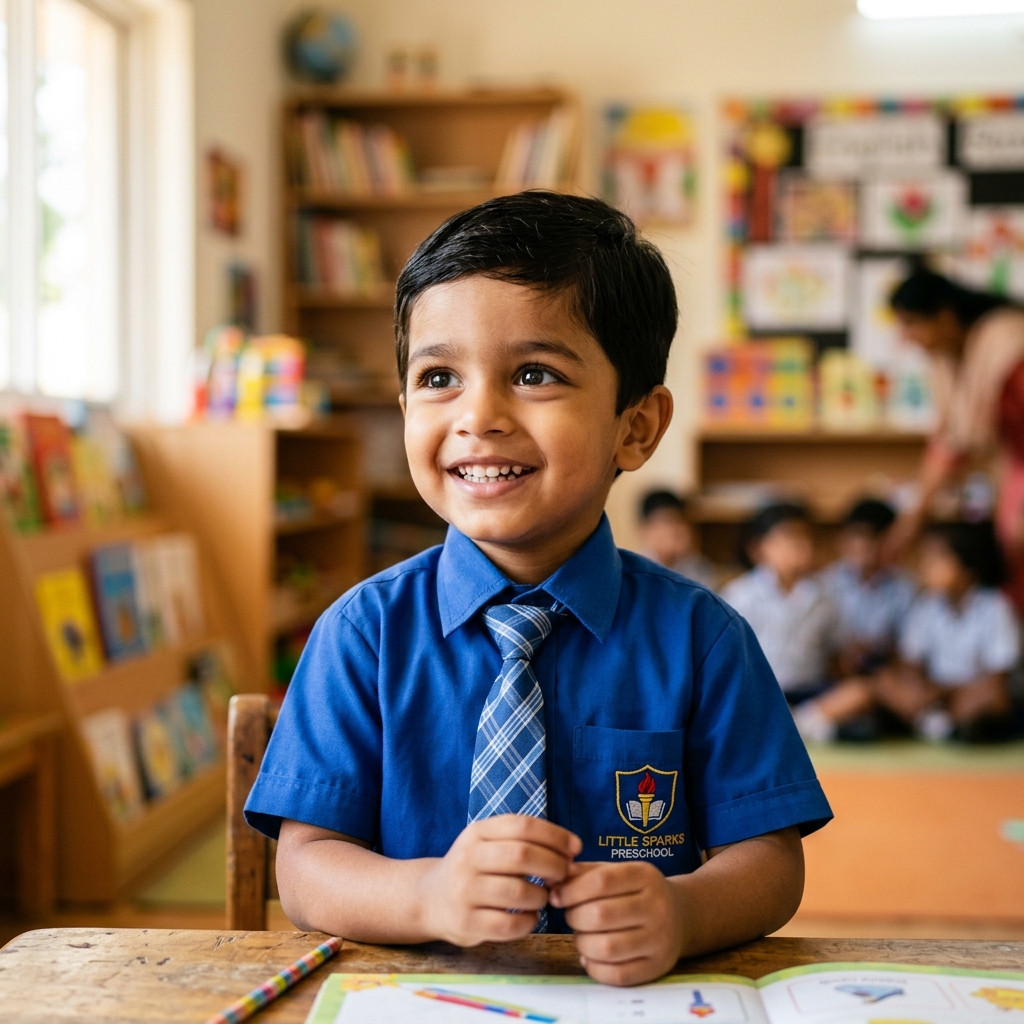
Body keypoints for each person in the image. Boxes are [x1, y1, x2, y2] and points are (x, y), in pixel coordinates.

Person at [243, 193, 832, 987]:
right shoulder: (362, 633)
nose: (477, 415)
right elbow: (306, 871)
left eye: (533, 374)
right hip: (417, 998)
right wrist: (427, 894)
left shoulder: (705, 638)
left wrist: (683, 912)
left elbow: (769, 861)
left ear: (636, 428)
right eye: (439, 376)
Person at [886, 270, 1024, 612]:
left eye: (912, 324)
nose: (907, 338)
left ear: (945, 317)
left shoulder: (1008, 346)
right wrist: (910, 522)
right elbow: (948, 445)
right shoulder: (949, 360)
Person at [878, 520, 1020, 743]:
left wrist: (944, 691)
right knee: (884, 680)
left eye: (937, 559)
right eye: (925, 559)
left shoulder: (994, 608)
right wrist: (918, 687)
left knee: (992, 698)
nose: (926, 567)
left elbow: (998, 677)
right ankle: (941, 726)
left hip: (967, 692)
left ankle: (941, 724)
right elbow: (910, 661)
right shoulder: (927, 606)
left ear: (968, 567)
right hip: (936, 694)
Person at [795, 498, 916, 743]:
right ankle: (815, 721)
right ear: (843, 540)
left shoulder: (905, 587)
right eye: (856, 537)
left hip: (885, 670)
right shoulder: (825, 584)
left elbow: (910, 647)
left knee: (887, 682)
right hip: (837, 674)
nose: (864, 546)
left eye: (874, 539)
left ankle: (824, 723)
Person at [720, 502, 839, 711]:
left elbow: (834, 654)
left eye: (806, 538)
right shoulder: (740, 595)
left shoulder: (825, 595)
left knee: (859, 692)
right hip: (761, 691)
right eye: (790, 537)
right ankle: (801, 721)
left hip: (810, 692)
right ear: (759, 548)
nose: (802, 546)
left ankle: (802, 719)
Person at [637, 489, 718, 588]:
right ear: (646, 528)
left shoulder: (699, 569)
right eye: (668, 521)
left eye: (681, 521)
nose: (678, 530)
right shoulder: (636, 571)